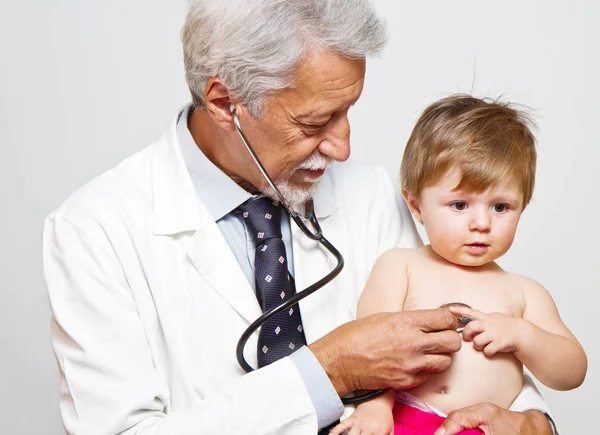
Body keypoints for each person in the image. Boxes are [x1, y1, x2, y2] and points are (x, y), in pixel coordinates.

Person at [42, 1, 558, 434]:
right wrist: (326, 371)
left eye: (349, 109)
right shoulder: (93, 231)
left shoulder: (372, 194)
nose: (343, 146)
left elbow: (470, 352)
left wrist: (535, 424)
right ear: (225, 103)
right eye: (315, 121)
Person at [331, 95, 587, 435]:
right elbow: (370, 348)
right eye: (460, 204)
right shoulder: (401, 267)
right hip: (407, 421)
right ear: (417, 206)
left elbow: (572, 371)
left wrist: (523, 336)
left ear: (522, 206)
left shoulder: (524, 293)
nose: (481, 222)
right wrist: (375, 408)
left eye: (500, 207)